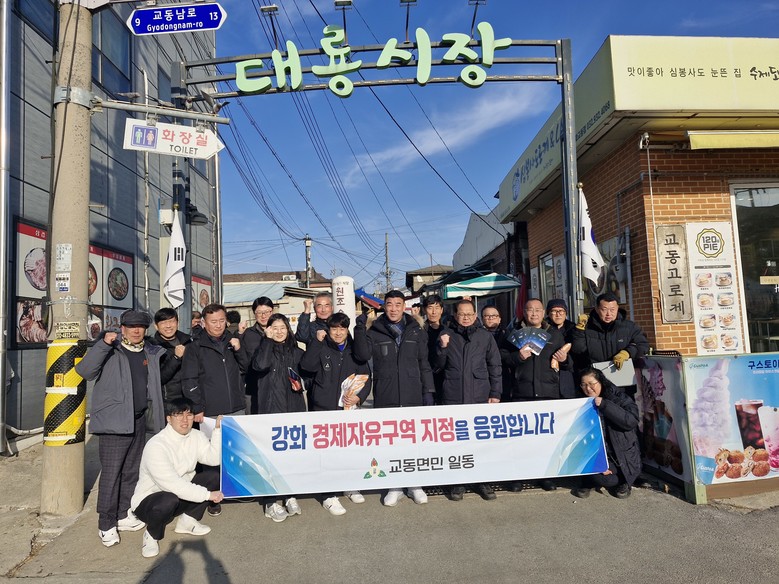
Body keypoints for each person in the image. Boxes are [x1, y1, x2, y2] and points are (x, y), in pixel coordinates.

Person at [75, 310, 166, 548]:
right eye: (131, 326)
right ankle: (106, 523)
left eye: (140, 326)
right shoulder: (111, 350)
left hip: (138, 419)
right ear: (122, 328)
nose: (136, 330)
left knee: (131, 472)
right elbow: (85, 371)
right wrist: (103, 345)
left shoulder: (149, 351)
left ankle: (123, 514)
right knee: (112, 474)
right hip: (114, 423)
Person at [353, 290, 434, 507]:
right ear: (384, 306)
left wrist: (428, 391)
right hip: (386, 394)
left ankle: (415, 485)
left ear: (404, 306)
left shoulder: (415, 329)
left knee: (414, 443)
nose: (394, 309)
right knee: (390, 444)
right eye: (389, 304)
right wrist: (360, 326)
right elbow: (362, 355)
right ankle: (395, 486)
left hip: (412, 393)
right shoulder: (374, 330)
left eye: (398, 304)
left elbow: (424, 363)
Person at [130, 398, 224, 558]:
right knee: (168, 499)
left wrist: (217, 430)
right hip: (150, 501)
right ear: (168, 418)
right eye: (179, 415)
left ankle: (188, 521)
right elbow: (172, 485)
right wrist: (208, 495)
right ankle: (151, 534)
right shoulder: (156, 445)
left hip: (179, 495)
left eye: (189, 415)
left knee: (213, 477)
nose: (185, 420)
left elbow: (213, 459)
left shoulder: (196, 435)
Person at [300, 312, 372, 515]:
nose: (338, 333)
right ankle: (328, 495)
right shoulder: (321, 347)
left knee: (348, 450)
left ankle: (348, 485)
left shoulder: (354, 350)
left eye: (342, 328)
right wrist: (316, 342)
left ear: (347, 330)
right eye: (334, 329)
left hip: (347, 410)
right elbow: (306, 366)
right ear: (328, 330)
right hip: (323, 409)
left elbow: (366, 377)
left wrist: (360, 397)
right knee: (326, 454)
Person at [181, 303, 248, 517]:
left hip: (236, 406)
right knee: (211, 457)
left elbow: (247, 367)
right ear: (204, 323)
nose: (218, 325)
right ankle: (212, 497)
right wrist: (197, 407)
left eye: (221, 320)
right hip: (210, 411)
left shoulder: (232, 342)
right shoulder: (195, 347)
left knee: (235, 451)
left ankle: (233, 490)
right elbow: (189, 380)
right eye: (213, 322)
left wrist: (239, 349)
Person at [500, 298, 571, 492]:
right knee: (520, 438)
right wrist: (517, 357)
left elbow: (567, 363)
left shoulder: (555, 334)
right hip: (521, 391)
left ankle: (545, 476)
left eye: (538, 310)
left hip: (548, 392)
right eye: (530, 310)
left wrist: (564, 359)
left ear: (543, 313)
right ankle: (519, 476)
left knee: (545, 438)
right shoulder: (512, 333)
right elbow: (502, 358)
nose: (534, 313)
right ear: (524, 312)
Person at [437, 299, 503, 501]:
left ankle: (483, 481)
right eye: (461, 314)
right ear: (455, 315)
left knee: (480, 441)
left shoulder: (485, 336)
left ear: (475, 315)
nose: (465, 317)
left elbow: (495, 366)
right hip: (453, 396)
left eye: (469, 314)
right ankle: (458, 482)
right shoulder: (446, 334)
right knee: (456, 442)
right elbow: (437, 366)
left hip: (479, 395)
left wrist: (495, 393)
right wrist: (442, 348)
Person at [251, 313, 306, 522]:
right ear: (268, 330)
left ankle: (290, 495)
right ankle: (270, 501)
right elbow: (260, 365)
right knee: (270, 457)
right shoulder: (263, 349)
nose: (279, 331)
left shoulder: (296, 352)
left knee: (291, 456)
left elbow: (308, 374)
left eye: (283, 327)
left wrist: (302, 384)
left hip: (293, 410)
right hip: (270, 411)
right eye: (274, 328)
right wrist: (266, 341)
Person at [573, 367, 641, 499]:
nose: (588, 388)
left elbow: (631, 421)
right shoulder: (579, 401)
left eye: (591, 384)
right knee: (598, 474)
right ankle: (589, 480)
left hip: (620, 454)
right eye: (584, 385)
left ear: (601, 382)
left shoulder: (618, 397)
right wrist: (600, 463)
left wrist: (605, 405)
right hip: (597, 452)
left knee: (608, 479)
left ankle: (624, 481)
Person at [570, 292, 650, 379]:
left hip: (623, 378)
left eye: (612, 309)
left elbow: (643, 345)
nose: (608, 314)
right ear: (597, 309)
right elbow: (578, 350)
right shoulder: (587, 327)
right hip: (595, 379)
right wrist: (579, 330)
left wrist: (627, 353)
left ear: (617, 308)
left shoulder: (629, 327)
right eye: (604, 309)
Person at [150, 308, 193, 404]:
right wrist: (176, 358)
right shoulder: (153, 348)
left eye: (171, 321)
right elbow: (159, 378)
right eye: (163, 323)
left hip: (191, 397)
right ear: (156, 326)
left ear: (177, 323)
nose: (168, 326)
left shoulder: (189, 341)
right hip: (169, 401)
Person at [241, 297, 275, 414]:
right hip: (253, 388)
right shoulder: (247, 334)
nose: (263, 316)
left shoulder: (280, 331)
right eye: (259, 312)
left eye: (266, 312)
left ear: (272, 311)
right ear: (254, 313)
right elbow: (241, 359)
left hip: (277, 387)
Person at [544, 299, 577, 398]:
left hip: (568, 376)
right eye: (554, 311)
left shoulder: (573, 330)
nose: (558, 314)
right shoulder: (542, 330)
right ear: (548, 313)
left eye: (561, 311)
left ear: (566, 313)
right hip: (547, 376)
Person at [481, 305, 512, 402]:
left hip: (504, 379)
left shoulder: (508, 335)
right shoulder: (477, 336)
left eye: (494, 316)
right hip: (482, 379)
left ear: (499, 319)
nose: (490, 318)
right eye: (487, 316)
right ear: (482, 319)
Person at [423, 294, 448, 405]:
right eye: (430, 308)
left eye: (437, 308)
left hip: (445, 377)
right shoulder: (419, 331)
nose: (434, 312)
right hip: (426, 378)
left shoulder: (448, 331)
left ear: (441, 310)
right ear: (425, 310)